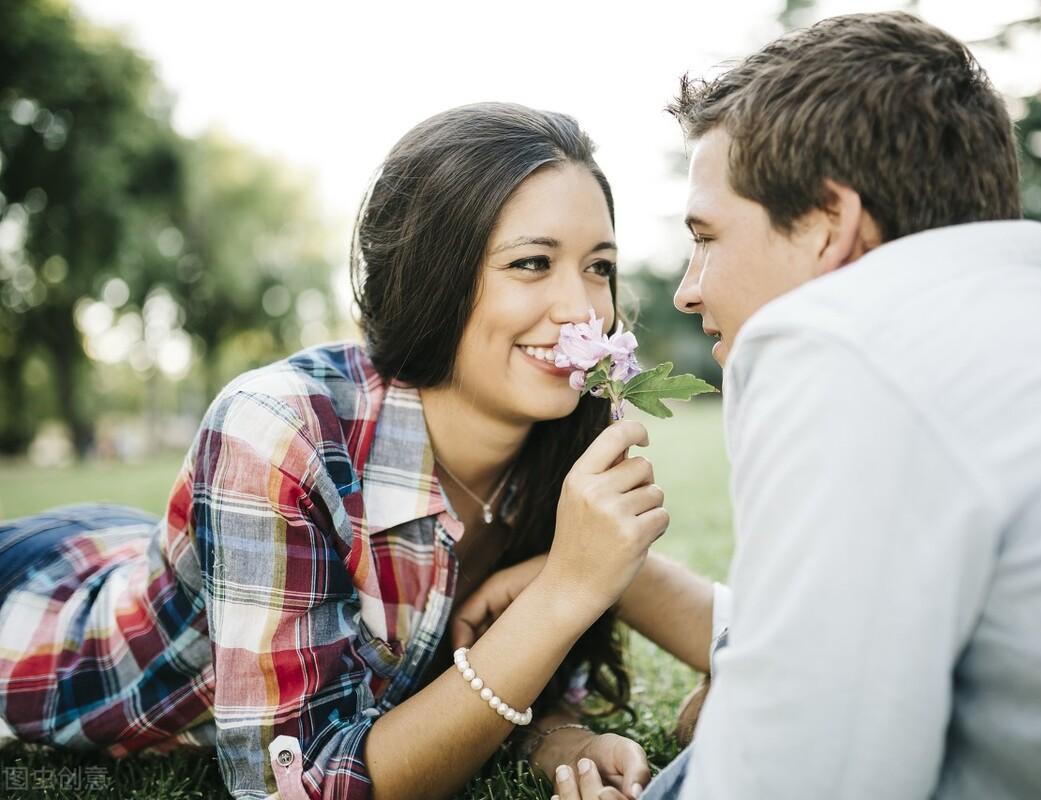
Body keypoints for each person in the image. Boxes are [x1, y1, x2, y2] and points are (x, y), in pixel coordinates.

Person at [546, 11, 1041, 800]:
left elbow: (803, 778)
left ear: (831, 224)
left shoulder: (841, 345)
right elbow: (854, 631)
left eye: (708, 236)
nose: (689, 290)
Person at [0, 102, 704, 800]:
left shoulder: (559, 438)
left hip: (133, 542)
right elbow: (294, 784)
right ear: (431, 276)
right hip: (38, 617)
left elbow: (449, 682)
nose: (583, 310)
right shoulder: (278, 429)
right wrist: (562, 592)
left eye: (599, 266)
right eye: (531, 263)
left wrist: (557, 735)